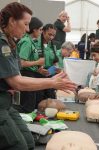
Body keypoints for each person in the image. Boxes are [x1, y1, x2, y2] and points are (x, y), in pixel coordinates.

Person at [0, 2, 76, 150]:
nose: (28, 29)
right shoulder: (2, 42)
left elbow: (14, 73)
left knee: (29, 142)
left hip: (6, 101)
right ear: (11, 21)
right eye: (26, 24)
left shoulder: (10, 41)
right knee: (18, 145)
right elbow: (17, 82)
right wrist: (52, 82)